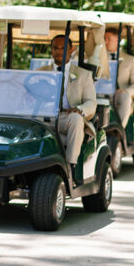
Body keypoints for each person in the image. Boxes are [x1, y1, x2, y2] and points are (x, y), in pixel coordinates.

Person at [45, 34, 96, 180]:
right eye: (55, 47)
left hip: (65, 118)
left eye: (63, 48)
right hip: (43, 117)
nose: (59, 51)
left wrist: (80, 109)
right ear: (51, 49)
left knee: (75, 118)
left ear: (71, 49)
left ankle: (70, 167)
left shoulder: (83, 74)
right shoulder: (41, 71)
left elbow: (91, 102)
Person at [104, 28, 134, 128]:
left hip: (119, 96)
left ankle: (119, 130)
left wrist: (126, 91)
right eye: (104, 39)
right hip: (102, 95)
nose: (105, 42)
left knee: (125, 97)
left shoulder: (129, 60)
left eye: (108, 39)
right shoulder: (99, 59)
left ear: (117, 40)